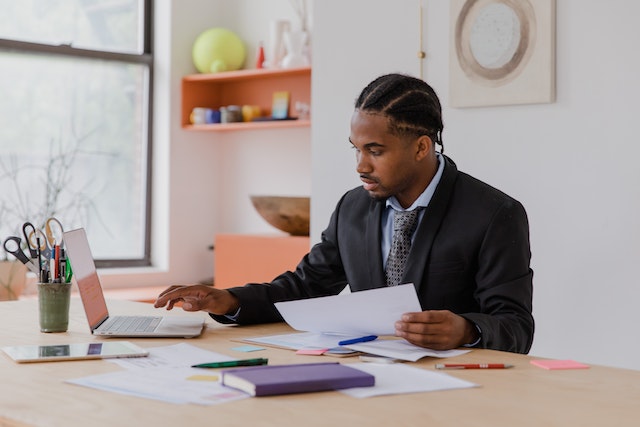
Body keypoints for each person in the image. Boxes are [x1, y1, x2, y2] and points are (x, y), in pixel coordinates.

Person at [155, 73, 534, 354]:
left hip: (458, 389)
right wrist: (230, 301)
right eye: (355, 149)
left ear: (421, 147)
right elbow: (305, 287)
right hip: (364, 374)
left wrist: (467, 329)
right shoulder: (353, 206)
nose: (360, 166)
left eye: (375, 150)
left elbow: (515, 326)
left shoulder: (495, 214)